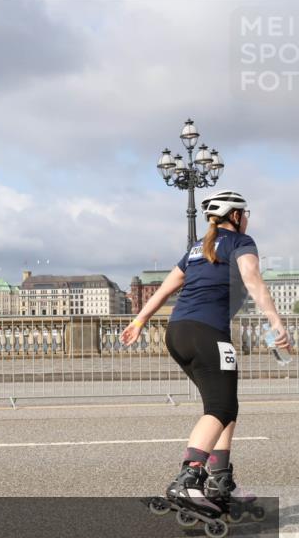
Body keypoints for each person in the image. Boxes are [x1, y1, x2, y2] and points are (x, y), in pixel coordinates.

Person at [119, 190, 293, 518]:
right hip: (207, 334)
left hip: (179, 333)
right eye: (247, 214)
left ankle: (221, 480)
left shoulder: (198, 248)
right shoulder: (241, 242)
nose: (248, 219)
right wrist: (276, 321)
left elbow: (165, 288)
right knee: (221, 406)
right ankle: (190, 477)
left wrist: (140, 320)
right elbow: (253, 279)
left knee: (225, 406)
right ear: (236, 216)